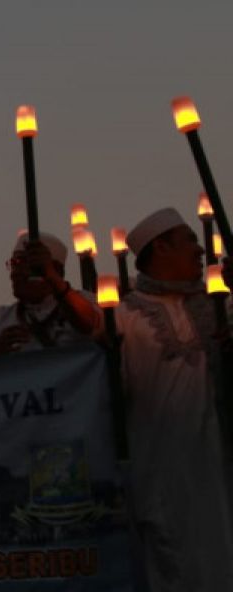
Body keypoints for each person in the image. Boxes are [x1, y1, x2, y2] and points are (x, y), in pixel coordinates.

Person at [115, 208, 233, 590]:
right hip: (164, 471)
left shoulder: (221, 305)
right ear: (160, 247)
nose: (201, 250)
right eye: (190, 241)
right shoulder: (125, 316)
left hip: (219, 462)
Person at [0, 233, 99, 356]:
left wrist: (52, 278)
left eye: (24, 263)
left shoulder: (85, 301)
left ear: (55, 270)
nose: (14, 273)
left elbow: (93, 325)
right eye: (14, 264)